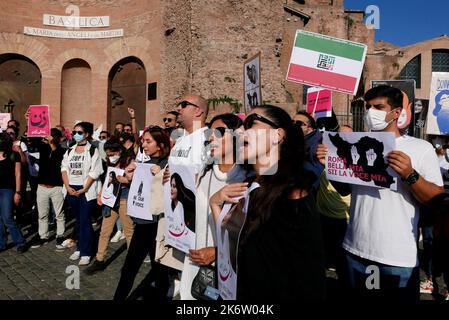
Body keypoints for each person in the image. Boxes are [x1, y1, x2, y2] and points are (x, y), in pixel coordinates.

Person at [316, 85, 444, 301]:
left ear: (396, 113)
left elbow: (436, 199)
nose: (370, 112)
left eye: (378, 107)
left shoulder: (421, 148)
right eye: (367, 106)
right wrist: (330, 167)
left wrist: (410, 175)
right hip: (354, 249)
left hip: (396, 258)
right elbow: (345, 189)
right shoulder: (354, 144)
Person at [210, 105, 326, 300]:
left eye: (251, 123)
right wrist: (215, 203)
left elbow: (309, 274)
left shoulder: (293, 193)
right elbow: (231, 244)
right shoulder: (248, 186)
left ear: (277, 135)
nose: (240, 131)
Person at [180, 113, 243, 300]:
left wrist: (217, 252)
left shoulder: (245, 179)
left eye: (220, 131)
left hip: (228, 267)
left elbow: (249, 234)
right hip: (194, 259)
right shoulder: (203, 173)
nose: (211, 137)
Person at [114, 126, 170, 300]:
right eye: (143, 141)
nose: (144, 145)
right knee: (131, 267)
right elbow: (141, 189)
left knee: (158, 268)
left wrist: (161, 175)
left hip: (158, 224)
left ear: (160, 145)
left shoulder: (169, 164)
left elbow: (172, 191)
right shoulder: (143, 163)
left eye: (148, 141)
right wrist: (129, 178)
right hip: (143, 223)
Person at [163, 94, 209, 299]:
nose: (178, 109)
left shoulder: (209, 138)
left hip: (200, 221)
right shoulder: (181, 140)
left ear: (198, 110)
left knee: (196, 276)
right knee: (184, 269)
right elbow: (173, 173)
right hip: (179, 218)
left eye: (183, 105)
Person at [85, 138, 134, 274]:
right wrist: (100, 194)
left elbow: (135, 180)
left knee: (129, 231)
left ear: (119, 151)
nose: (110, 157)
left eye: (112, 154)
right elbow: (108, 179)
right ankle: (100, 259)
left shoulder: (130, 161)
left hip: (124, 197)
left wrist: (126, 180)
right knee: (104, 231)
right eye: (108, 154)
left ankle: (131, 262)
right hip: (111, 198)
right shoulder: (109, 163)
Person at [61, 122, 104, 266]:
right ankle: (79, 247)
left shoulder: (93, 150)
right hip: (71, 189)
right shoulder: (70, 150)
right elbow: (64, 168)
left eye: (79, 132)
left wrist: (85, 188)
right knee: (78, 220)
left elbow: (95, 171)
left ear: (86, 134)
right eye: (74, 132)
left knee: (85, 220)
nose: (76, 135)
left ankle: (86, 252)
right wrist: (67, 186)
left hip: (86, 190)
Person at [316, 124, 352, 292]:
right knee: (321, 258)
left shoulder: (355, 160)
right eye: (340, 135)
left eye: (348, 136)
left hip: (344, 220)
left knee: (342, 261)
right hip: (322, 217)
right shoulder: (326, 155)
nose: (343, 138)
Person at [30, 128, 66, 249]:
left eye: (50, 137)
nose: (45, 139)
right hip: (42, 187)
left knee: (59, 214)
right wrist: (29, 120)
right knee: (42, 214)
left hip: (56, 187)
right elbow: (32, 138)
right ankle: (43, 237)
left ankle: (60, 235)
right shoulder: (42, 148)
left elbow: (58, 161)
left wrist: (52, 144)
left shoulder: (63, 151)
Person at [0, 132, 27, 253]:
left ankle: (20, 242)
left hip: (8, 190)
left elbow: (18, 174)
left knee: (7, 217)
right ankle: (1, 243)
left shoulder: (14, 155)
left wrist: (18, 192)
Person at [293, 111, 324, 191]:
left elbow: (316, 173)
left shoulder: (317, 145)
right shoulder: (294, 141)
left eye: (299, 123)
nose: (293, 125)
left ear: (310, 129)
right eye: (292, 122)